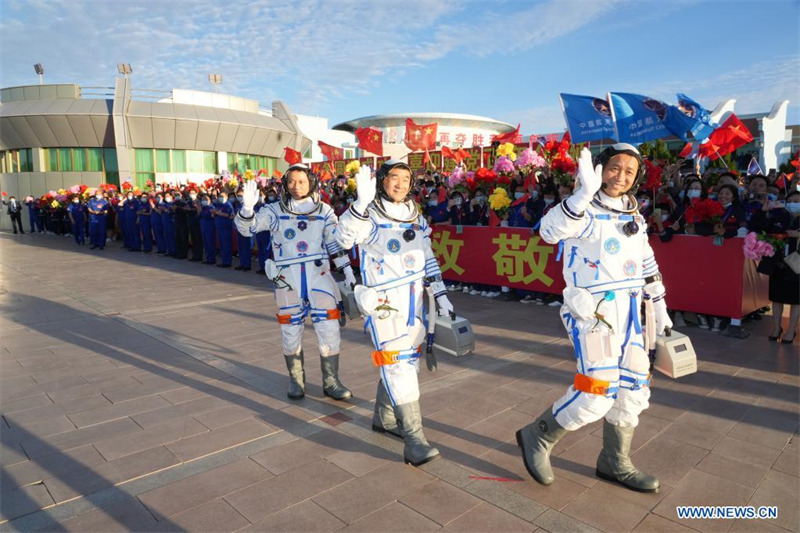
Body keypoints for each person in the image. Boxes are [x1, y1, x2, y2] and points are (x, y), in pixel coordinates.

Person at [517, 144, 671, 493]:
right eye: (614, 167)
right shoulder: (581, 210)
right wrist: (582, 195)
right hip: (595, 314)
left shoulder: (634, 214)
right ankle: (538, 436)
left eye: (630, 172)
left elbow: (646, 261)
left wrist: (658, 304)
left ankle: (615, 461)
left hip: (633, 314)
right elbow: (548, 231)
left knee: (633, 389)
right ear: (599, 169)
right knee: (597, 392)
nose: (621, 176)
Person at [335, 160, 455, 467]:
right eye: (393, 178)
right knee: (398, 363)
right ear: (382, 181)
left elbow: (427, 255)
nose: (400, 184)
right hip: (384, 301)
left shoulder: (415, 214)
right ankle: (414, 439)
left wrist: (440, 294)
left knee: (408, 362)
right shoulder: (369, 213)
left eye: (405, 178)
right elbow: (344, 239)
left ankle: (384, 417)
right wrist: (360, 204)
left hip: (415, 299)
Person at [236, 166, 356, 401]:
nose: (296, 186)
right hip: (287, 278)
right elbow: (248, 229)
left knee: (329, 329)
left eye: (302, 181)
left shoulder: (324, 210)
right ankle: (296, 379)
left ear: (311, 182)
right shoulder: (273, 210)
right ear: (285, 184)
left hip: (319, 276)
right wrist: (248, 209)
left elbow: (334, 244)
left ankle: (331, 381)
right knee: (290, 330)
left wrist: (348, 272)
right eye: (291, 182)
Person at [750, 190, 800, 343]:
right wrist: (763, 212)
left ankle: (791, 329)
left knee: (796, 299)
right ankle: (776, 327)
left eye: (796, 200)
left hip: (796, 263)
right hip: (778, 263)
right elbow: (759, 229)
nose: (793, 203)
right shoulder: (779, 216)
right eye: (790, 200)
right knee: (777, 298)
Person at [213, 191, 234, 267]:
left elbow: (229, 215)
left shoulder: (228, 205)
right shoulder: (219, 204)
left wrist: (220, 213)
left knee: (226, 245)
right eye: (220, 196)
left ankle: (227, 262)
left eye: (222, 196)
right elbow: (215, 212)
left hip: (225, 227)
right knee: (222, 245)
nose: (220, 198)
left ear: (226, 197)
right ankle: (224, 261)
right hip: (220, 227)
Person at [234, 190, 253, 271]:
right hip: (239, 228)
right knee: (241, 247)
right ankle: (242, 263)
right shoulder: (238, 204)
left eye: (241, 195)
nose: (239, 197)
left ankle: (247, 265)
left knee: (246, 247)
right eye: (238, 195)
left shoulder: (247, 205)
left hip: (246, 229)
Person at [199, 193, 217, 265]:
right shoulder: (202, 207)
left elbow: (208, 216)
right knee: (206, 244)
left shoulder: (211, 208)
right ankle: (208, 257)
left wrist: (200, 211)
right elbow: (198, 216)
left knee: (210, 243)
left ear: (209, 200)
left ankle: (212, 259)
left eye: (206, 199)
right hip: (203, 228)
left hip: (210, 228)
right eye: (203, 200)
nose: (204, 201)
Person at [186, 189, 203, 262]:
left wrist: (192, 209)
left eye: (193, 193)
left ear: (196, 193)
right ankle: (194, 255)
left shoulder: (199, 202)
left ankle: (199, 256)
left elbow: (199, 211)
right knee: (193, 240)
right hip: (190, 222)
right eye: (190, 193)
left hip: (197, 222)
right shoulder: (189, 201)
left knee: (198, 239)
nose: (191, 194)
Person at [160, 192, 177, 257]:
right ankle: (169, 250)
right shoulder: (164, 204)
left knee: (171, 236)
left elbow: (172, 212)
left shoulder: (173, 203)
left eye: (168, 196)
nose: (167, 197)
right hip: (165, 222)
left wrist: (166, 210)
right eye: (166, 196)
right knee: (166, 236)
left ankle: (173, 251)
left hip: (171, 222)